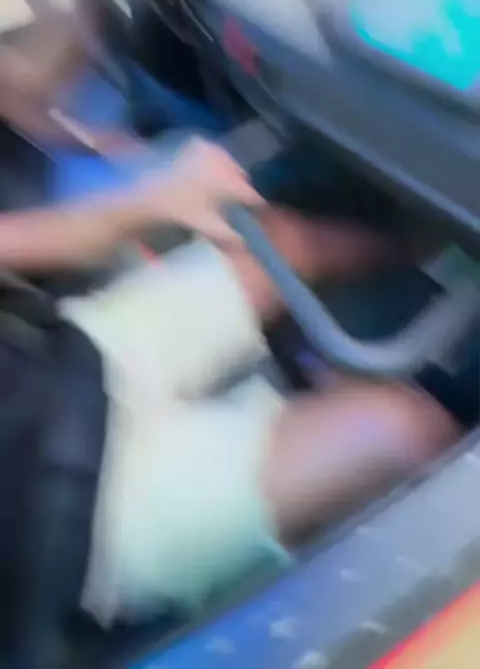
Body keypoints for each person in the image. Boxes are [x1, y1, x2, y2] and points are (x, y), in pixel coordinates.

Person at [0, 41, 462, 628]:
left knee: (286, 240)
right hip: (80, 528)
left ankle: (447, 249)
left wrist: (149, 201)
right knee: (403, 429)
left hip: (71, 366)